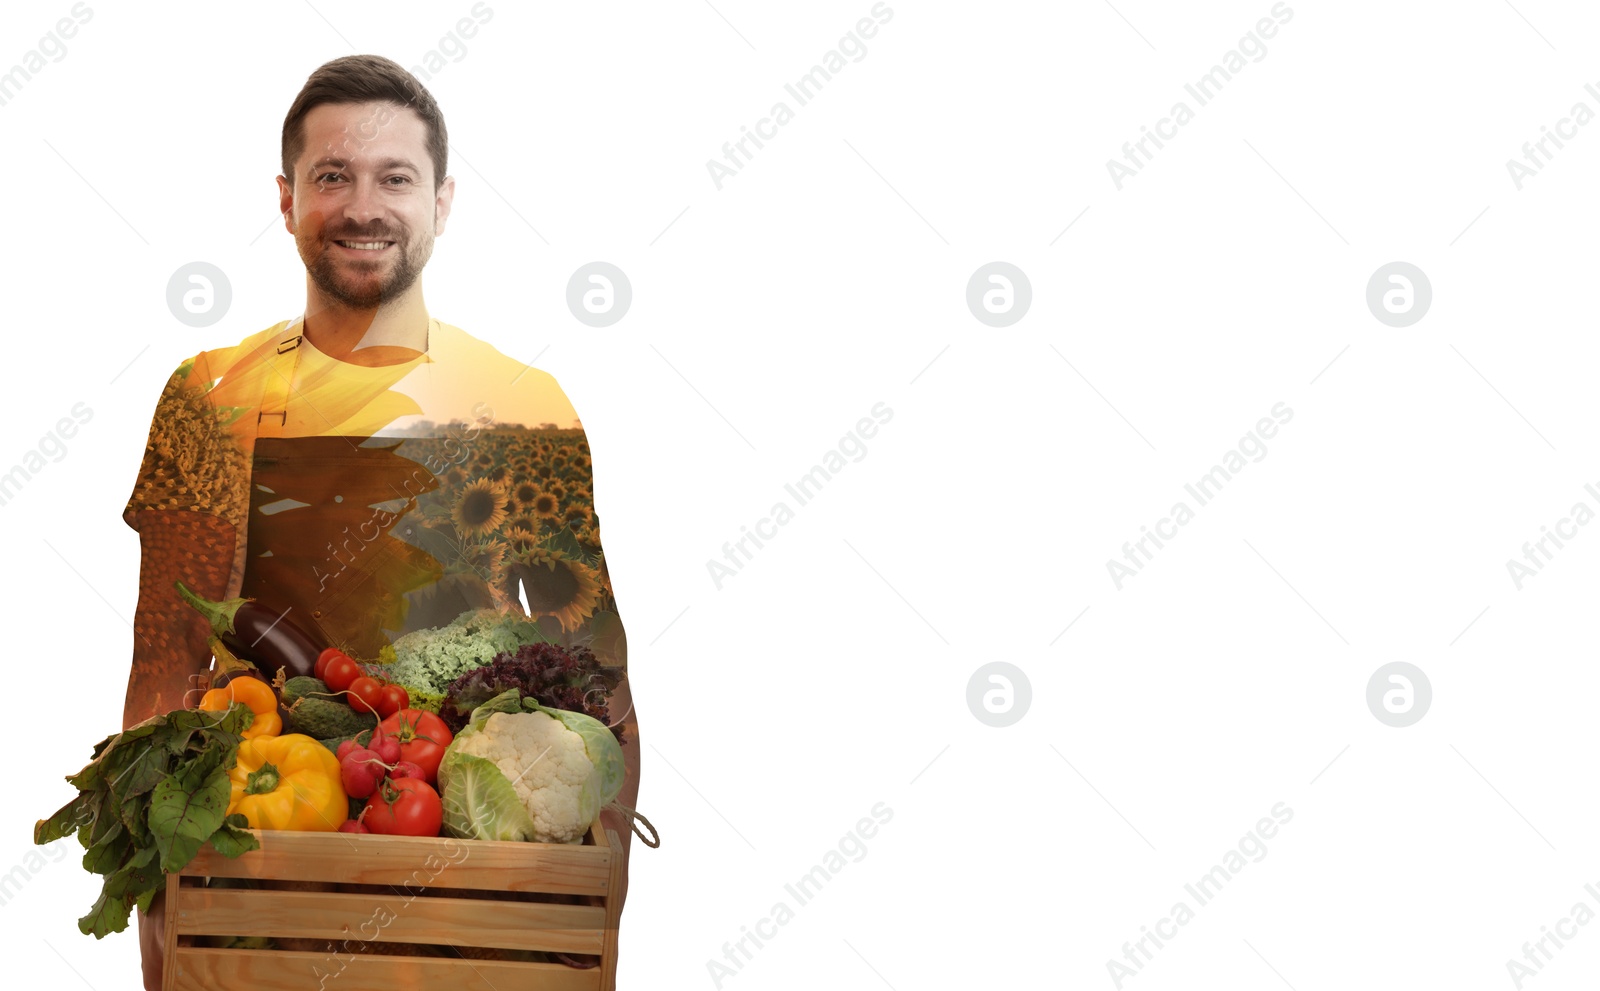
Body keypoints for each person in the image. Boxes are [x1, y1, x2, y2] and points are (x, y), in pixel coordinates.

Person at [120, 54, 640, 989]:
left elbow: (600, 678)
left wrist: (586, 914)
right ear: (285, 200)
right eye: (332, 177)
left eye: (395, 178)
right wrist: (164, 920)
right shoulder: (210, 397)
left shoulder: (523, 405)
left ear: (443, 201)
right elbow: (163, 661)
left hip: (477, 906)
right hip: (259, 881)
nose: (364, 206)